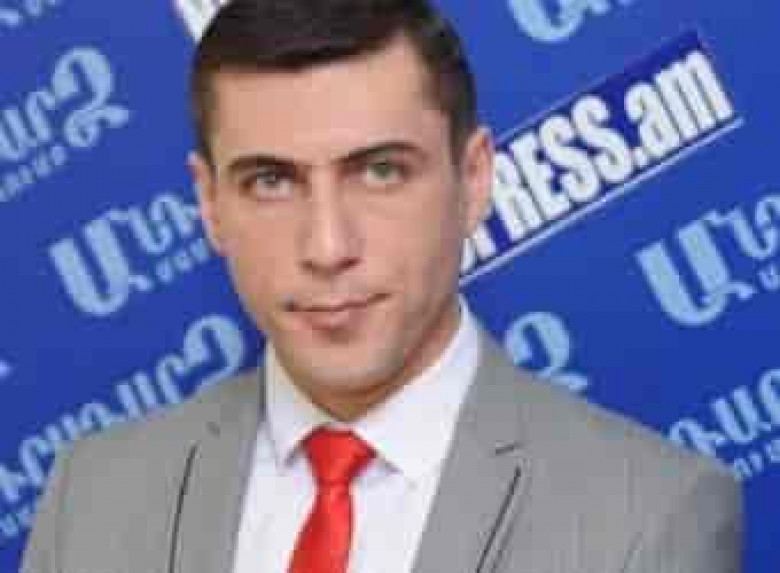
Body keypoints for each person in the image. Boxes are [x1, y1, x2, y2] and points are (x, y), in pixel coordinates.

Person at [21, 1, 742, 572]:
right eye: (271, 181)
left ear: (474, 179)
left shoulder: (649, 515)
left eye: (380, 171)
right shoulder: (92, 494)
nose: (327, 247)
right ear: (209, 204)